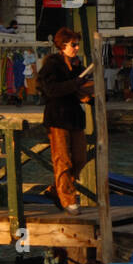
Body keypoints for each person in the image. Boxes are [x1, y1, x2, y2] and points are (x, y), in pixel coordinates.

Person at [38, 27, 93, 214]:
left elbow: (82, 89)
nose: (76, 48)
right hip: (57, 117)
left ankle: (55, 189)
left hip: (74, 117)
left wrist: (90, 93)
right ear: (62, 46)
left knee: (80, 158)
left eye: (77, 44)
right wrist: (75, 84)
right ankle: (68, 199)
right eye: (73, 45)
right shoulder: (52, 65)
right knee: (63, 160)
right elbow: (50, 90)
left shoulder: (77, 65)